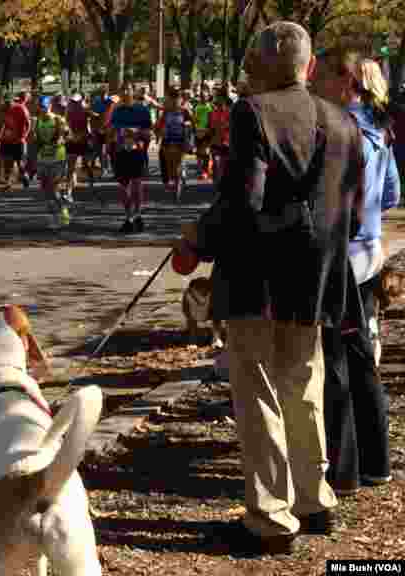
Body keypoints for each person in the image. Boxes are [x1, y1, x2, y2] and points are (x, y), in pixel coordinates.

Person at [176, 21, 363, 554]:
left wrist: (195, 240)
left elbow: (243, 203)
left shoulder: (252, 113)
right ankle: (315, 500)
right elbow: (350, 212)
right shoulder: (343, 122)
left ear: (259, 67)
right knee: (304, 387)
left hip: (257, 280)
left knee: (259, 395)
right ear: (307, 67)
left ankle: (270, 519)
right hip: (317, 280)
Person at [313, 51, 400, 493]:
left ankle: (344, 470)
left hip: (342, 257)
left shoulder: (340, 130)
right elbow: (391, 195)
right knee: (362, 359)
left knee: (337, 361)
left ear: (345, 81)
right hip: (368, 251)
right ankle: (376, 461)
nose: (316, 83)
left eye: (323, 75)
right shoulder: (380, 131)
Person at [110, 83, 153, 233]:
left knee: (136, 185)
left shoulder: (142, 110)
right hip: (121, 152)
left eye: (128, 89)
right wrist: (119, 135)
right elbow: (112, 131)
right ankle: (128, 218)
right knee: (123, 187)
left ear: (133, 91)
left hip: (137, 151)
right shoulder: (117, 111)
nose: (125, 92)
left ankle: (138, 215)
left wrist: (136, 132)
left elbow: (149, 133)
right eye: (122, 90)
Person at [33, 96, 70, 228]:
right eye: (40, 107)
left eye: (45, 107)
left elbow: (66, 135)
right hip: (42, 159)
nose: (43, 110)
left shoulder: (58, 120)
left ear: (49, 106)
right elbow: (34, 141)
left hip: (57, 158)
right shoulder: (36, 121)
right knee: (46, 191)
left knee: (54, 190)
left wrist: (62, 138)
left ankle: (62, 212)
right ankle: (53, 216)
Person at [155, 87, 193, 203]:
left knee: (176, 166)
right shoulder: (166, 112)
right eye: (171, 100)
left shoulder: (184, 111)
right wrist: (158, 131)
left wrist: (189, 138)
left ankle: (177, 186)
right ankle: (172, 179)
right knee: (169, 166)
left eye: (176, 99)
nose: (174, 102)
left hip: (180, 141)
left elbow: (192, 125)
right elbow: (158, 126)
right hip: (167, 140)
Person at [0, 91, 33, 191]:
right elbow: (1, 123)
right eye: (5, 102)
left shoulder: (20, 108)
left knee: (19, 162)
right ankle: (8, 183)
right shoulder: (3, 109)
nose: (7, 104)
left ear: (12, 101)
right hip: (6, 140)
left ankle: (24, 175)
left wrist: (23, 136)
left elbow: (28, 123)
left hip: (18, 140)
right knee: (7, 162)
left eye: (8, 102)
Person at [64, 93, 92, 200]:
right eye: (73, 101)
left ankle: (91, 185)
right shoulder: (68, 110)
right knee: (70, 167)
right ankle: (68, 192)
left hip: (83, 140)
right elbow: (66, 124)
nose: (75, 103)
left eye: (77, 101)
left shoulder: (86, 109)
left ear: (82, 101)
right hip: (73, 140)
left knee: (87, 165)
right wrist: (71, 135)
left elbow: (92, 122)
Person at [208, 90, 233, 189]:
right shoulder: (212, 113)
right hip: (215, 142)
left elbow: (234, 126)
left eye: (219, 97)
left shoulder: (231, 112)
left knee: (225, 166)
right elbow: (210, 127)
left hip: (227, 143)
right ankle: (217, 184)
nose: (217, 99)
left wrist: (225, 126)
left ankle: (224, 185)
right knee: (216, 164)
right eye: (216, 97)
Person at [193, 87, 214, 180]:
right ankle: (200, 170)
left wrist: (208, 129)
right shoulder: (197, 107)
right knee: (199, 153)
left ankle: (205, 171)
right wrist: (195, 128)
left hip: (206, 132)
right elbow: (195, 120)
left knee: (205, 152)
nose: (202, 98)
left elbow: (211, 119)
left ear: (207, 97)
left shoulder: (210, 107)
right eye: (201, 96)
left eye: (204, 96)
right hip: (198, 132)